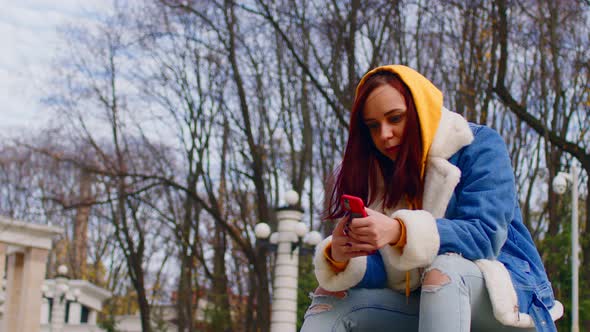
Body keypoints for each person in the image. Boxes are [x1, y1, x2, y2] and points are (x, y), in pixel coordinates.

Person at [300, 65, 563, 332]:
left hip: (506, 292)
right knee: (331, 297)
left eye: (395, 118)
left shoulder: (479, 145)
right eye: (373, 126)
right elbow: (392, 273)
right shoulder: (381, 175)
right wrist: (344, 256)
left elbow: (485, 236)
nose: (384, 134)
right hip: (424, 299)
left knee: (445, 268)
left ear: (420, 110)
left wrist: (399, 231)